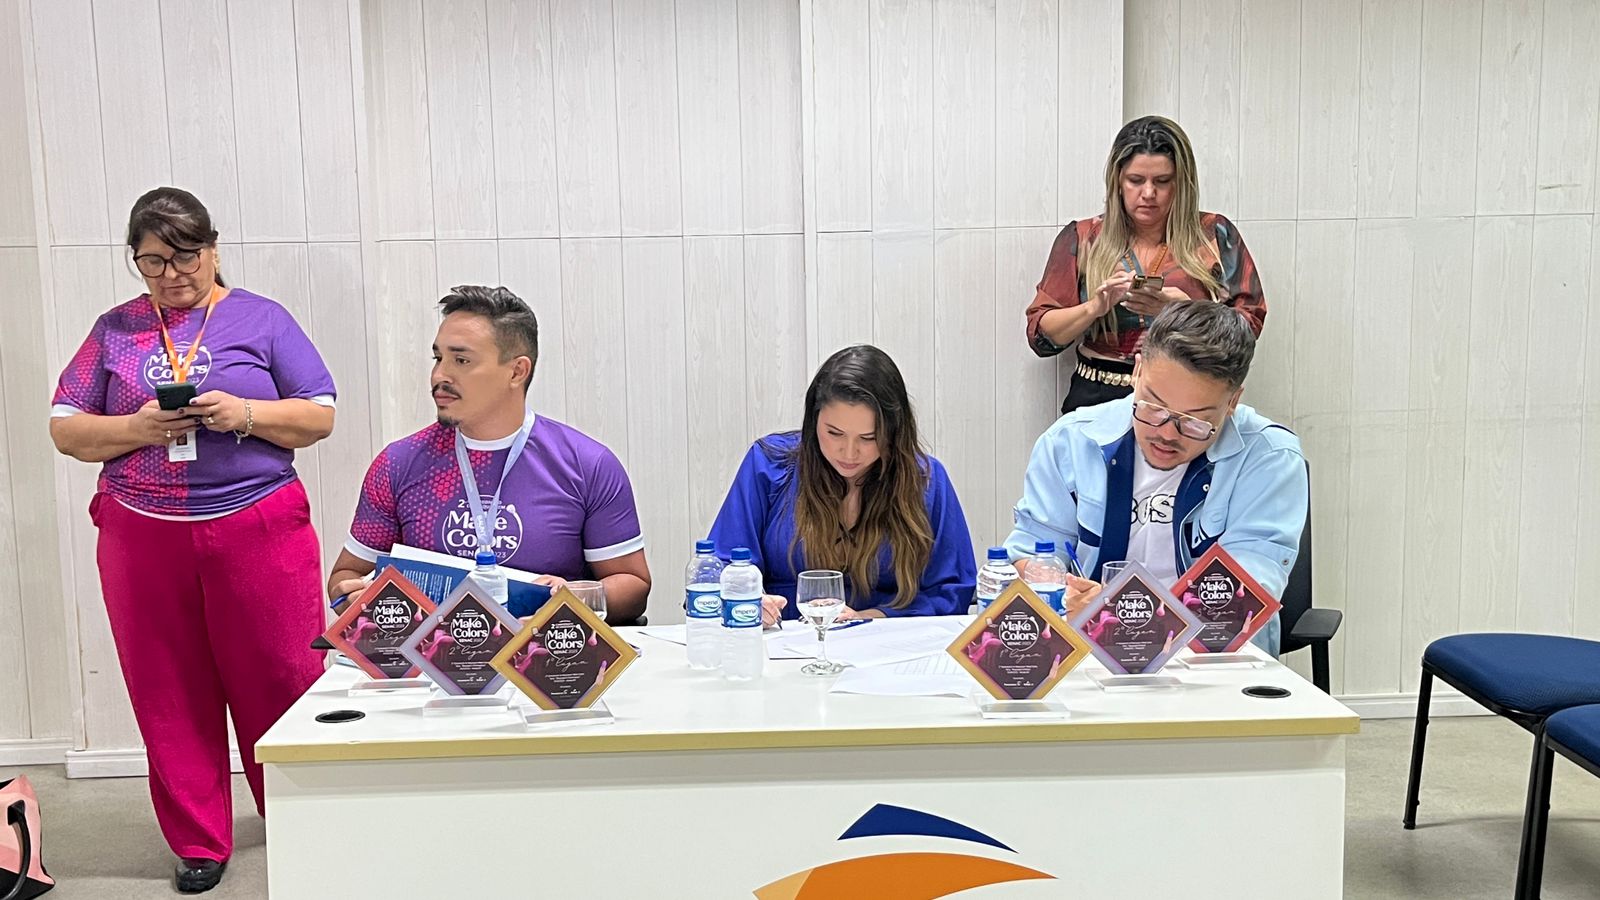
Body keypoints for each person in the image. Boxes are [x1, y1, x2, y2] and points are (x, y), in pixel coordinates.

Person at [49, 187, 336, 894]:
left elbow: (319, 415)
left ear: (213, 248)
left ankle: (298, 812)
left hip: (257, 526)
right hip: (141, 533)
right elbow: (66, 427)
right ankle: (198, 840)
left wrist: (245, 414)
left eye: (186, 257)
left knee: (283, 675)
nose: (172, 274)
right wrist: (137, 428)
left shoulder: (262, 319)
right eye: (152, 261)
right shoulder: (115, 329)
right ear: (135, 260)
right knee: (166, 685)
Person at [326, 286, 651, 624]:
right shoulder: (398, 464)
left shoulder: (586, 464)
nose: (439, 375)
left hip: (544, 651)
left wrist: (571, 600)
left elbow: (633, 585)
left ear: (517, 371)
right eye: (438, 358)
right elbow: (346, 577)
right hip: (431, 654)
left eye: (461, 360)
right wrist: (354, 597)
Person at [1005, 301, 1306, 654]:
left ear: (1232, 402)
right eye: (1153, 406)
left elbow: (1241, 595)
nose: (1166, 433)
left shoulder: (1270, 457)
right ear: (1137, 371)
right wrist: (1057, 586)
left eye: (1194, 421)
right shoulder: (1070, 442)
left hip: (1214, 661)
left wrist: (1121, 614)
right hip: (1090, 656)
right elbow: (1032, 550)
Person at [708, 345, 976, 623]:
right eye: (834, 433)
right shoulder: (768, 464)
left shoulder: (926, 480)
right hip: (783, 635)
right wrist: (749, 600)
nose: (849, 453)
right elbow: (721, 566)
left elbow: (950, 591)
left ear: (894, 432)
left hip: (886, 637)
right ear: (814, 420)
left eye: (868, 438)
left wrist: (869, 617)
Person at [1026, 115, 1266, 414]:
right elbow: (1040, 336)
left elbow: (1248, 327)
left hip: (1186, 399)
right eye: (1136, 180)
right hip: (1098, 396)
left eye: (1162, 181)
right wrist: (1094, 308)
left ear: (1182, 183)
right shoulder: (1083, 238)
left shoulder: (1214, 235)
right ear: (1117, 180)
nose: (1149, 194)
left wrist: (1186, 312)